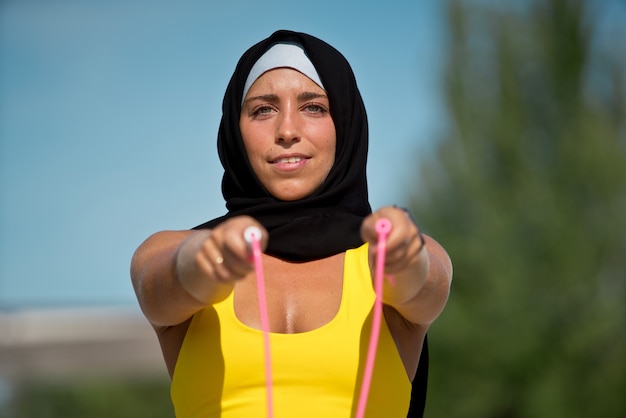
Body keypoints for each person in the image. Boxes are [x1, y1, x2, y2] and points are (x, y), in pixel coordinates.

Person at [131, 29, 452, 418]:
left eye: (313, 107)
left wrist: (403, 260)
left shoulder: (395, 251)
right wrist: (200, 264)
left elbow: (423, 285)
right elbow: (159, 288)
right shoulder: (174, 249)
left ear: (345, 124)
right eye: (263, 109)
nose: (286, 130)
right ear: (235, 129)